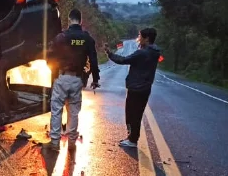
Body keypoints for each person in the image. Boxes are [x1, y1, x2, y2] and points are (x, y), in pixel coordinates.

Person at [47, 9, 100, 151]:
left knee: (57, 110)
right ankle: (71, 142)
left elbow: (50, 58)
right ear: (81, 20)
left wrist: (53, 75)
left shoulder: (61, 37)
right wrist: (95, 79)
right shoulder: (87, 38)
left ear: (69, 20)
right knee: (74, 111)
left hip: (62, 77)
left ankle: (54, 142)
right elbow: (93, 61)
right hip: (77, 79)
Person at [104, 28, 161, 148]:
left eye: (140, 36)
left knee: (131, 114)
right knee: (138, 114)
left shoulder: (142, 53)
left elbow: (123, 60)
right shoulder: (155, 52)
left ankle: (132, 139)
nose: (138, 39)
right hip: (146, 88)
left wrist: (109, 54)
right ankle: (133, 138)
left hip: (135, 87)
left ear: (147, 38)